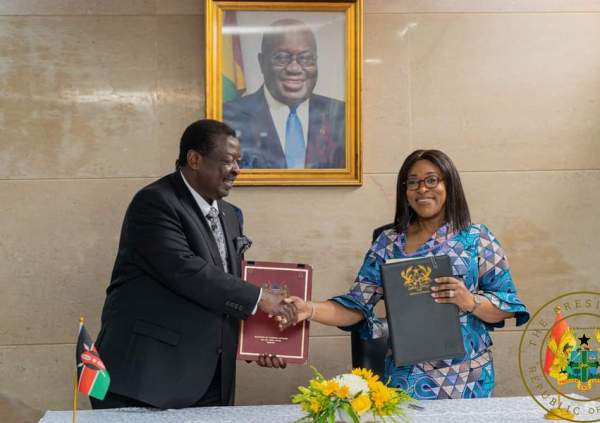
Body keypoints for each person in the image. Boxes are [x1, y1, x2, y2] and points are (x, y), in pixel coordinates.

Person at [285, 149, 530, 399]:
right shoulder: (388, 242)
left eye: (432, 180)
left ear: (450, 184)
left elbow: (508, 305)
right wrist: (309, 309)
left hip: (468, 379)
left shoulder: (477, 238)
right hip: (406, 380)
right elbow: (357, 305)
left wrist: (470, 301)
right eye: (413, 182)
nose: (422, 189)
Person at [92, 119, 296, 410]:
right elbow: (185, 270)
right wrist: (262, 299)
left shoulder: (230, 214)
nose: (237, 170)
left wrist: (261, 341)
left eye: (239, 161)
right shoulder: (155, 202)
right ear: (195, 159)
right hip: (148, 379)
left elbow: (225, 286)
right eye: (228, 161)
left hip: (212, 379)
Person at [223, 19, 345, 169]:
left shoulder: (342, 115)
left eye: (306, 58)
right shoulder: (227, 116)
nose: (294, 68)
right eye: (281, 58)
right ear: (261, 62)